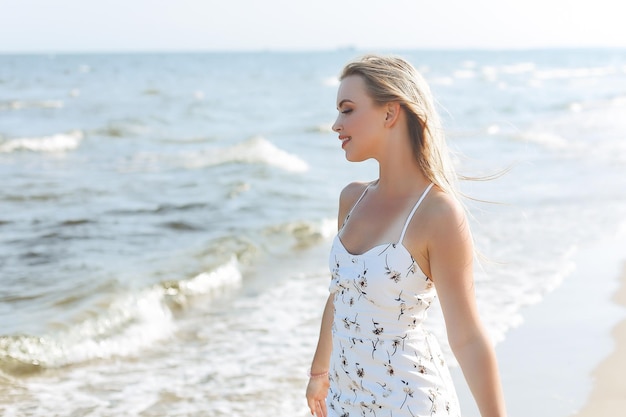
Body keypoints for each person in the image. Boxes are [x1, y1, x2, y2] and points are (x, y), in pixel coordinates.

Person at [305, 55, 507, 417]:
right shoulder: (352, 198)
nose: (336, 124)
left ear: (389, 113)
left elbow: (467, 336)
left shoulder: (438, 213)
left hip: (410, 403)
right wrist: (320, 371)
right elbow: (341, 292)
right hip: (343, 401)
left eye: (347, 110)